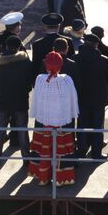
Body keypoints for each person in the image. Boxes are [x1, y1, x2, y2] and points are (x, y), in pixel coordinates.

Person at [28, 52, 79, 186]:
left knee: (44, 150)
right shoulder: (67, 80)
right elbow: (73, 100)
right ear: (61, 64)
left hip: (44, 124)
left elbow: (36, 100)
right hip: (62, 125)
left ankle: (43, 177)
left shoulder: (40, 79)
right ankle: (60, 179)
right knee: (61, 152)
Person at [0, 37, 36, 157]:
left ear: (6, 45)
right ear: (19, 47)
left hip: (2, 99)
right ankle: (25, 155)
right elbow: (30, 79)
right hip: (20, 99)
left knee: (0, 128)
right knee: (22, 129)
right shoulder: (25, 62)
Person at [74, 29, 108, 159]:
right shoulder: (102, 60)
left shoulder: (75, 59)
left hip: (81, 97)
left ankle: (81, 149)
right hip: (98, 98)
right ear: (96, 45)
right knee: (97, 125)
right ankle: (96, 152)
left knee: (82, 125)